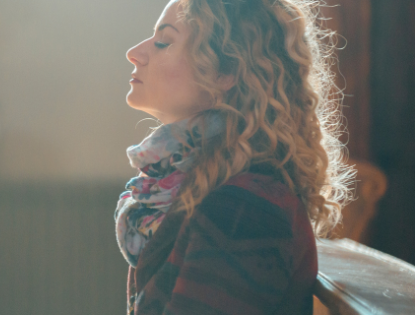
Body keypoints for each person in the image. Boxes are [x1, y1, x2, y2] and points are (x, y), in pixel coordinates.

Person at [114, 0, 353, 314]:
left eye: (164, 42)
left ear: (225, 71)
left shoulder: (243, 209)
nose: (135, 52)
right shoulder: (199, 182)